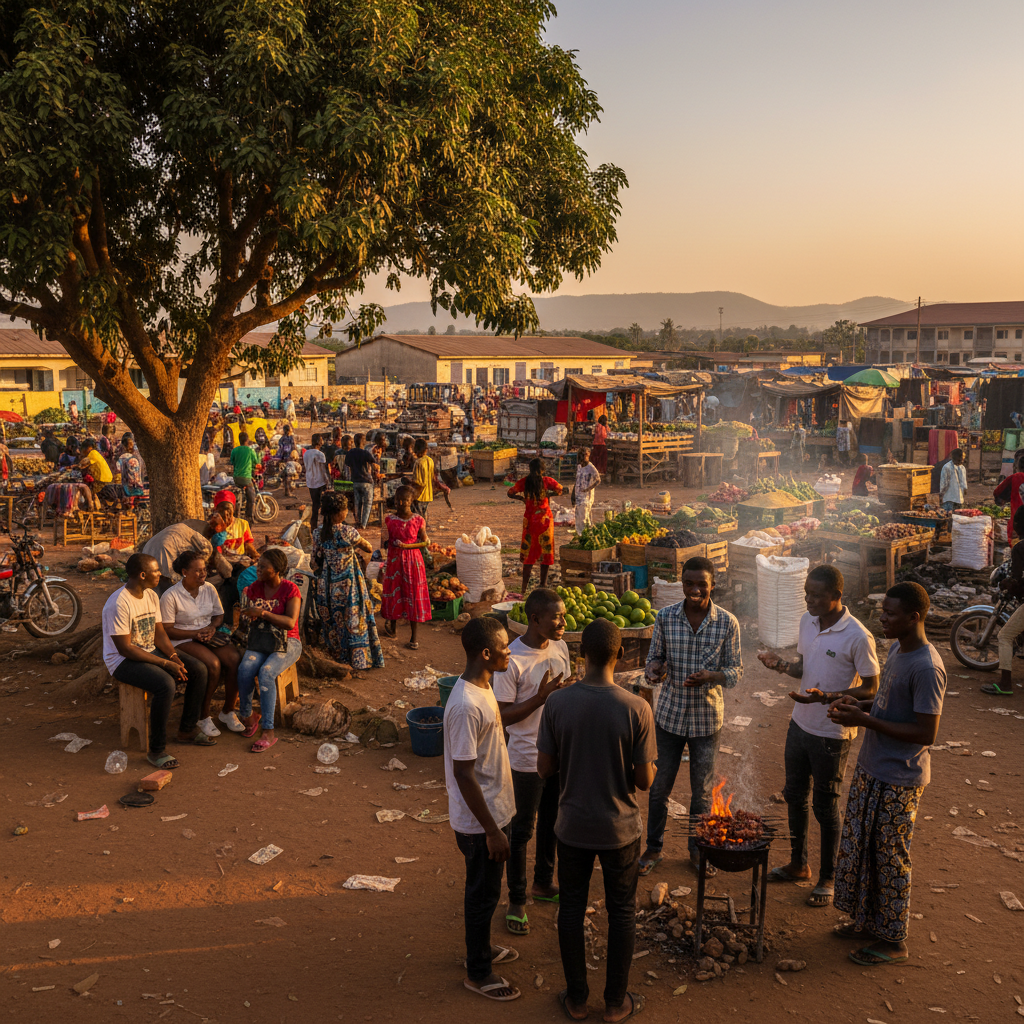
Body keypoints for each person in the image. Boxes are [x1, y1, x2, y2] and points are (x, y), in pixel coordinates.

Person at [537, 619, 657, 1023]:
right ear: (620, 655)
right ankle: (614, 1003)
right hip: (620, 830)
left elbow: (544, 768)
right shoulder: (637, 708)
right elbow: (644, 781)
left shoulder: (557, 703)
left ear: (581, 655)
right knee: (622, 912)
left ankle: (575, 1000)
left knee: (570, 908)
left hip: (571, 827)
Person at [828, 581, 946, 967]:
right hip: (872, 766)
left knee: (890, 856)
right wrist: (851, 700)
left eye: (890, 614)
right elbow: (883, 700)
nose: (882, 619)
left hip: (900, 777)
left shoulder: (927, 668)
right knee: (862, 848)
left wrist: (864, 720)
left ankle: (894, 940)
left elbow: (926, 733)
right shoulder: (897, 648)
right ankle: (867, 921)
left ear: (914, 618)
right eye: (883, 612)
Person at [757, 565, 880, 908]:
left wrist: (826, 697)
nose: (808, 599)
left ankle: (828, 876)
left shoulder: (858, 635)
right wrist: (779, 665)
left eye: (816, 595)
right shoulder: (807, 621)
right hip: (800, 723)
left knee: (825, 806)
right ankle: (799, 863)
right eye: (807, 593)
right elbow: (803, 667)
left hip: (832, 732)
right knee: (794, 796)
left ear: (837, 597)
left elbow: (871, 689)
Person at [640, 556, 742, 876]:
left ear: (713, 585)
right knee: (659, 788)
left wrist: (712, 676)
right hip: (669, 716)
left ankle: (697, 851)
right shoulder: (666, 618)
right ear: (681, 583)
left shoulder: (727, 623)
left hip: (706, 720)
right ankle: (654, 847)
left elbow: (735, 672)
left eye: (702, 584)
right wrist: (655, 670)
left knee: (701, 791)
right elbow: (653, 659)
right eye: (689, 583)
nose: (695, 589)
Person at [444, 616, 520, 1003]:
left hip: (493, 812)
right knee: (482, 895)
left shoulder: (484, 686)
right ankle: (478, 972)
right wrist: (491, 830)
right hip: (479, 824)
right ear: (486, 653)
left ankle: (483, 949)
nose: (511, 651)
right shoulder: (464, 705)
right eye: (506, 646)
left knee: (488, 891)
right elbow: (464, 773)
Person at [492, 588, 570, 937]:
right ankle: (517, 898)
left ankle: (543, 882)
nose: (563, 622)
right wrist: (541, 698)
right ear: (535, 619)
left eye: (563, 615)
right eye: (556, 617)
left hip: (558, 754)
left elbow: (562, 695)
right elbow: (503, 716)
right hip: (525, 757)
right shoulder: (513, 659)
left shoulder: (561, 648)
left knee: (553, 821)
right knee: (521, 830)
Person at [102, 553, 214, 769]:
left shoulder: (151, 595)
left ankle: (187, 730)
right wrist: (164, 664)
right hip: (122, 661)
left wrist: (173, 656)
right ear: (142, 575)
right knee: (165, 684)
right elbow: (125, 648)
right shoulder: (118, 603)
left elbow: (159, 633)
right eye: (155, 571)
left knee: (199, 669)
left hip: (148, 650)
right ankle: (156, 750)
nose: (160, 574)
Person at [160, 550, 244, 735]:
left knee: (234, 659)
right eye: (197, 571)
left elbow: (219, 615)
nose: (203, 574)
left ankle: (228, 711)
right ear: (184, 572)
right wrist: (196, 633)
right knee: (212, 665)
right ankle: (203, 716)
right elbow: (167, 629)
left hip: (206, 634)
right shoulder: (171, 596)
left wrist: (212, 628)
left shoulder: (209, 588)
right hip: (181, 638)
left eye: (204, 569)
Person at [237, 548, 303, 752]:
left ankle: (268, 729)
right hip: (261, 641)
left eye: (263, 567)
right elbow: (249, 618)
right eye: (259, 565)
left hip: (288, 641)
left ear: (276, 570)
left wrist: (263, 613)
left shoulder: (290, 590)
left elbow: (290, 622)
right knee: (245, 669)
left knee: (266, 673)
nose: (258, 569)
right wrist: (247, 613)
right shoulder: (254, 588)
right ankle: (248, 716)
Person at [311, 491, 384, 669]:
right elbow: (368, 547)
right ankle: (359, 661)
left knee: (335, 622)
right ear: (339, 513)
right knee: (355, 618)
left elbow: (314, 562)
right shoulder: (348, 532)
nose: (347, 513)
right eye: (345, 510)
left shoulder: (318, 533)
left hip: (327, 586)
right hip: (350, 585)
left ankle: (339, 658)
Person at [380, 485, 430, 650]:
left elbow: (425, 542)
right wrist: (387, 542)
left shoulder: (418, 520)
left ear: (412, 501)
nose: (401, 503)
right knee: (395, 593)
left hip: (413, 562)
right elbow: (384, 542)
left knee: (412, 595)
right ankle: (392, 628)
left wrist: (406, 546)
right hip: (394, 562)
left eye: (405, 500)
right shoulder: (388, 520)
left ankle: (414, 637)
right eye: (398, 500)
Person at [983, 505, 1024, 697]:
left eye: (1015, 522)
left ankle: (1005, 683)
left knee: (1005, 636)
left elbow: (1017, 579)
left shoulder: (1020, 548)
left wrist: (1006, 584)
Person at [507, 458, 563, 593]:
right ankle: (542, 585)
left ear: (530, 469)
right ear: (543, 470)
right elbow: (560, 490)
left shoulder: (524, 482)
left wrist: (521, 498)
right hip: (545, 521)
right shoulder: (547, 481)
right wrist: (548, 494)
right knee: (545, 552)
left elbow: (510, 492)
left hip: (530, 522)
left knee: (529, 554)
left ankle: (523, 588)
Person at [210, 493, 258, 614]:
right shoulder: (212, 526)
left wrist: (256, 554)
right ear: (216, 510)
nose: (226, 513)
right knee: (228, 581)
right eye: (222, 510)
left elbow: (247, 544)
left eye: (229, 510)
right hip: (223, 562)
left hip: (241, 561)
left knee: (244, 574)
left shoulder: (242, 524)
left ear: (234, 509)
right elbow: (215, 550)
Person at [345, 431, 379, 529]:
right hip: (366, 481)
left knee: (358, 503)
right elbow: (375, 466)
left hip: (355, 481)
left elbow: (347, 468)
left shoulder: (350, 453)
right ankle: (363, 524)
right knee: (367, 504)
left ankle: (358, 522)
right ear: (363, 443)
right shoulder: (365, 453)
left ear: (354, 442)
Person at [993, 451, 1024, 543]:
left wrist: (1004, 499)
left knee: (1018, 552)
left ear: (1017, 466)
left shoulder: (1016, 477)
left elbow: (997, 493)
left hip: (1018, 525)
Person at [230, 430, 259, 524]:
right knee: (252, 497)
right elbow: (256, 463)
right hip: (246, 478)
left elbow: (232, 462)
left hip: (236, 478)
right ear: (247, 440)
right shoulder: (250, 451)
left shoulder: (234, 450)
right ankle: (249, 517)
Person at [303, 433, 330, 535]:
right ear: (320, 442)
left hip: (310, 481)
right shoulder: (320, 454)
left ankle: (313, 524)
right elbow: (323, 470)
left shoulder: (306, 453)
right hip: (320, 481)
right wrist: (327, 480)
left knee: (315, 504)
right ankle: (325, 524)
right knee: (324, 504)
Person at [78, 438, 115, 509]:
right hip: (107, 480)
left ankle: (89, 507)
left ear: (88, 448)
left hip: (103, 482)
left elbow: (82, 465)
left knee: (84, 489)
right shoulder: (97, 453)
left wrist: (70, 467)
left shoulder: (93, 453)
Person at [572, 447, 601, 535]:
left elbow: (598, 480)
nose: (582, 457)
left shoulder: (591, 467)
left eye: (585, 455)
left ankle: (584, 535)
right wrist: (573, 495)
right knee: (579, 518)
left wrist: (588, 489)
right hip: (578, 496)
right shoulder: (579, 467)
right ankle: (582, 535)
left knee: (583, 518)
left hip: (586, 497)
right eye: (581, 455)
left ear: (588, 455)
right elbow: (577, 481)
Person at [118, 432, 146, 505]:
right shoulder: (137, 454)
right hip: (139, 484)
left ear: (124, 447)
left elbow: (131, 478)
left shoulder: (127, 458)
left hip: (132, 488)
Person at [411, 437, 435, 520]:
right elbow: (432, 477)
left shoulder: (418, 462)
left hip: (419, 494)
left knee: (417, 516)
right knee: (423, 514)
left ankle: (420, 530)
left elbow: (417, 481)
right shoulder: (430, 460)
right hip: (428, 494)